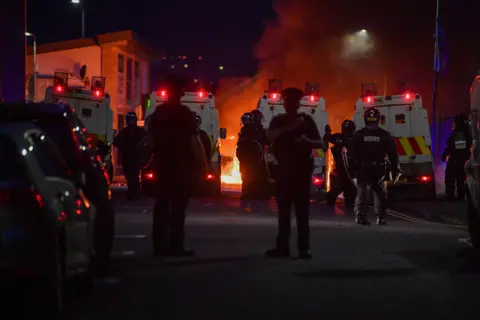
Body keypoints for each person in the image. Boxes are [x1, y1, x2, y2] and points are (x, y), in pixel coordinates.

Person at [148, 74, 208, 257]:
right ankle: (175, 246)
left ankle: (159, 246)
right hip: (181, 169)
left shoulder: (157, 114)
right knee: (178, 210)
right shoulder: (184, 114)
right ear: (180, 93)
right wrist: (204, 166)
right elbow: (194, 141)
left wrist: (147, 163)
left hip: (162, 167)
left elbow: (149, 142)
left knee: (161, 208)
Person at [265, 87, 324, 259]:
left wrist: (307, 141)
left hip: (301, 172)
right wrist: (291, 128)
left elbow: (320, 143)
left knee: (302, 213)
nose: (289, 104)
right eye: (287, 101)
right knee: (283, 213)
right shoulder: (278, 120)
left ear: (297, 103)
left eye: (292, 101)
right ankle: (282, 247)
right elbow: (269, 136)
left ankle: (303, 249)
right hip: (283, 172)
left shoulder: (306, 121)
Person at [348, 107, 400, 225]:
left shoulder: (358, 135)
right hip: (379, 169)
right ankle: (380, 217)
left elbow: (351, 156)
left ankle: (360, 216)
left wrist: (353, 172)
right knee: (381, 194)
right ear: (378, 119)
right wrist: (395, 169)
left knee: (362, 194)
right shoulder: (385, 135)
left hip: (363, 169)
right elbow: (392, 155)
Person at [236, 112, 268, 212]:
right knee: (245, 176)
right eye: (244, 120)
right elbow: (240, 144)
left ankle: (254, 193)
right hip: (246, 158)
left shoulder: (257, 130)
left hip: (254, 157)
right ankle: (247, 193)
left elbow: (263, 142)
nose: (246, 122)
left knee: (255, 175)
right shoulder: (244, 130)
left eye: (247, 120)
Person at [324, 120, 357, 207]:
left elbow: (328, 137)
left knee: (333, 194)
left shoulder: (339, 138)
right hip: (351, 174)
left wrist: (327, 132)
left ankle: (329, 209)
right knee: (349, 195)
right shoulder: (356, 139)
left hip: (344, 173)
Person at [112, 112, 146, 200]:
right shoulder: (127, 131)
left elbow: (147, 142)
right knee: (131, 176)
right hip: (129, 157)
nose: (130, 122)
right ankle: (134, 193)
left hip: (133, 157)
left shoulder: (138, 131)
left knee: (133, 176)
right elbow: (116, 141)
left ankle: (134, 193)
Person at [441, 113, 472, 201]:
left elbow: (455, 147)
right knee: (460, 178)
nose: (453, 124)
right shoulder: (466, 134)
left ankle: (451, 195)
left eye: (454, 122)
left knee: (452, 177)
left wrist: (445, 154)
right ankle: (460, 195)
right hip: (462, 160)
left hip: (456, 160)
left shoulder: (460, 135)